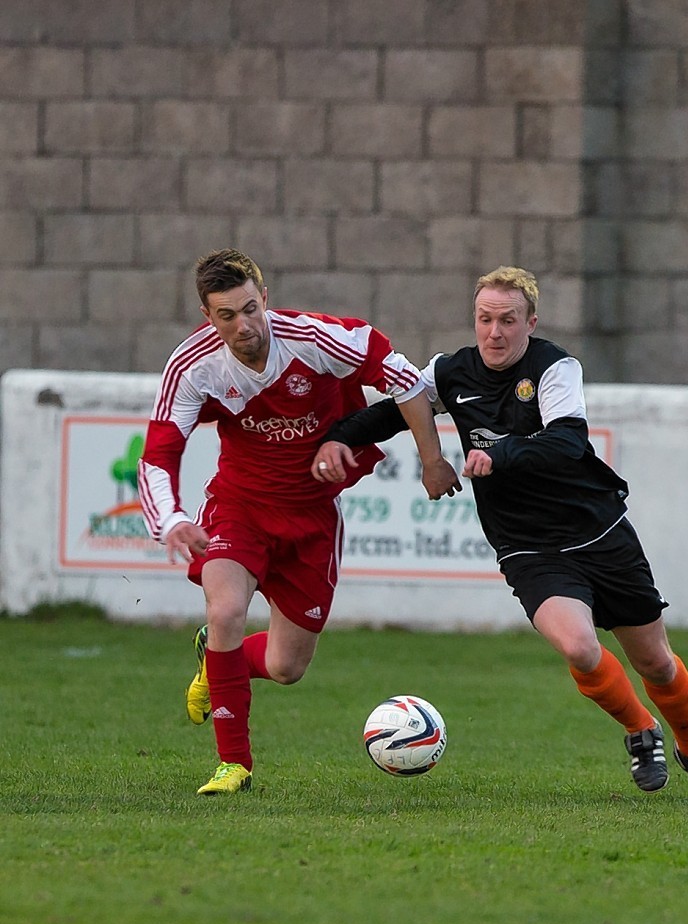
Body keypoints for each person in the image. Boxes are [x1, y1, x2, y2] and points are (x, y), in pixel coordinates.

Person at [314, 266, 688, 800]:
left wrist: (500, 452)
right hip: (528, 547)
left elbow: (565, 442)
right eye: (485, 319)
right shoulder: (451, 372)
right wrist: (338, 438)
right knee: (580, 647)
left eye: (508, 320)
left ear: (530, 322)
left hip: (599, 532)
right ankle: (639, 729)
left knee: (654, 660)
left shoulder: (555, 368)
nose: (495, 332)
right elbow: (396, 411)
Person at [138, 248, 460, 796]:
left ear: (265, 298)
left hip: (313, 518)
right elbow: (158, 454)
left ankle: (216, 662)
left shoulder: (315, 339)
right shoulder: (192, 366)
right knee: (227, 608)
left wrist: (431, 460)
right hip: (238, 507)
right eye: (226, 316)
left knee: (287, 667)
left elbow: (405, 380)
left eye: (249, 309)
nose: (243, 326)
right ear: (207, 316)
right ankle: (232, 763)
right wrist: (169, 520)